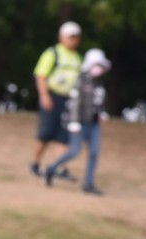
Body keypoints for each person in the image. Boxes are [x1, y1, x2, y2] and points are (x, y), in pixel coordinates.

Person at [44, 48, 112, 196]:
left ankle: (88, 184)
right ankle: (50, 169)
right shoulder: (80, 80)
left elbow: (98, 102)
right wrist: (73, 122)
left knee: (94, 152)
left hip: (93, 124)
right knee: (74, 151)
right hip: (79, 123)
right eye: (97, 65)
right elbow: (74, 103)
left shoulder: (98, 83)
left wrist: (102, 113)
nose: (99, 69)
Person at [29, 21, 83, 178]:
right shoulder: (52, 53)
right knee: (45, 134)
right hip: (52, 97)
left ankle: (60, 168)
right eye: (69, 37)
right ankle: (35, 162)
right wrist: (44, 96)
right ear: (61, 37)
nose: (72, 40)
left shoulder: (79, 58)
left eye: (75, 37)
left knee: (63, 136)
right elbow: (40, 75)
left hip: (70, 101)